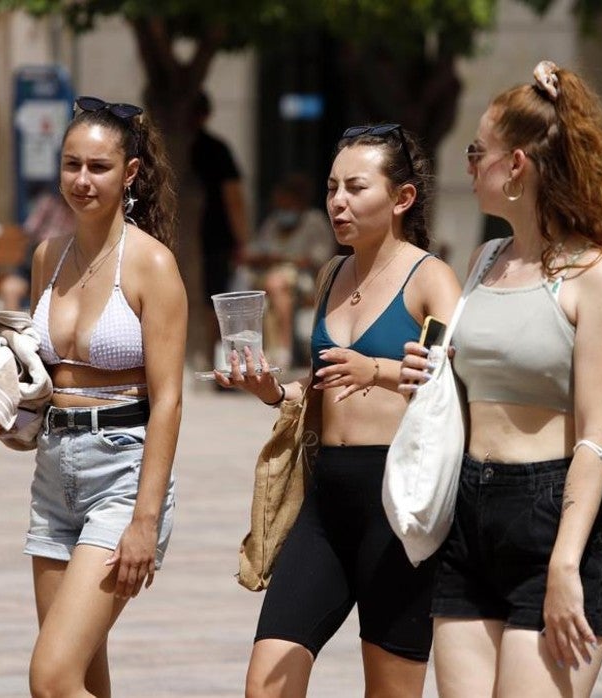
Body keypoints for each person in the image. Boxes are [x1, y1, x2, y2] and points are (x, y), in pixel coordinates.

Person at [400, 60, 602, 697]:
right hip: (466, 514)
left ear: (516, 165)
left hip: (551, 517)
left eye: (475, 151)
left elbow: (598, 439)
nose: (467, 163)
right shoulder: (487, 259)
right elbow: (469, 381)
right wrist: (424, 374)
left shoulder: (597, 275)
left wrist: (565, 563)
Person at [217, 124, 462, 697]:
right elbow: (322, 386)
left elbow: (452, 382)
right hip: (325, 503)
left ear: (401, 198)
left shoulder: (431, 279)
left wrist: (374, 370)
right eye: (332, 188)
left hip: (398, 507)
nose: (338, 202)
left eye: (355, 187)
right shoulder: (332, 273)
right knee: (266, 685)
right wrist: (274, 392)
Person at [0, 96, 186, 697]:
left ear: (130, 174)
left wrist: (144, 520)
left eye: (99, 167)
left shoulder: (152, 266)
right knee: (86, 675)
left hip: (123, 472)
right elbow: (40, 376)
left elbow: (168, 400)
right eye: (71, 165)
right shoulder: (48, 257)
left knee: (51, 677)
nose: (82, 180)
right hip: (54, 475)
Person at [241, 172, 334, 368]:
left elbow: (320, 257)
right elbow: (253, 251)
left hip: (304, 280)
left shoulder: (314, 221)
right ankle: (258, 351)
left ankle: (284, 348)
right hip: (268, 277)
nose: (281, 206)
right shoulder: (274, 222)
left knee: (277, 284)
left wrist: (284, 259)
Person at [190, 90, 251, 367]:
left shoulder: (162, 148)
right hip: (215, 237)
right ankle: (211, 359)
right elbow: (234, 198)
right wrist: (241, 240)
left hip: (203, 237)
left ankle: (207, 359)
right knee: (214, 303)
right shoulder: (217, 149)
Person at [0, 184, 78, 312]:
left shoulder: (83, 215)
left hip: (66, 272)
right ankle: (16, 329)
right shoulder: (48, 204)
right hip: (33, 268)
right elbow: (29, 230)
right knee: (9, 288)